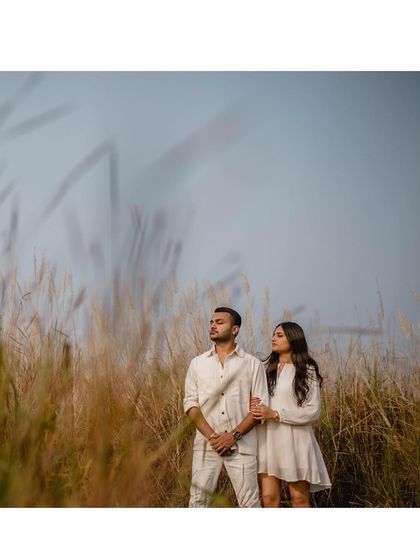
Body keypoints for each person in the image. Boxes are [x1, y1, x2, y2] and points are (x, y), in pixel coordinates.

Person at [183, 306, 269, 507]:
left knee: (249, 503)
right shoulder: (197, 364)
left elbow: (259, 408)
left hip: (242, 445)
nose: (213, 326)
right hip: (206, 446)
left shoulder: (252, 364)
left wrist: (233, 436)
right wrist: (213, 436)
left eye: (219, 322)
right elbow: (191, 404)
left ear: (235, 329)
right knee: (198, 501)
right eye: (211, 322)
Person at [250, 321, 331, 507]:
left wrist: (276, 414)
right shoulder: (263, 368)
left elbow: (313, 411)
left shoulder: (307, 369)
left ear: (293, 339)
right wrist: (252, 403)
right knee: (269, 499)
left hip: (295, 441)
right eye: (273, 334)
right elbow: (254, 397)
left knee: (299, 499)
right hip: (267, 440)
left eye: (279, 335)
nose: (273, 338)